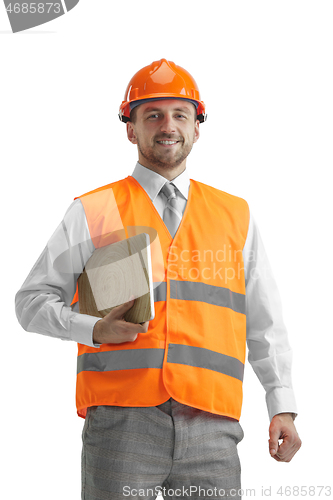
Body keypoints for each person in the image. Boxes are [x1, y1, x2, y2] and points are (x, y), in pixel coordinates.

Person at [15, 58, 301, 500]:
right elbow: (31, 302)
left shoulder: (235, 215)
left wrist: (282, 406)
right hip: (120, 422)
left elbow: (264, 320)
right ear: (131, 128)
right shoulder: (93, 210)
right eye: (153, 114)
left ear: (197, 127)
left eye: (179, 114)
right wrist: (93, 328)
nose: (168, 125)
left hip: (213, 424)